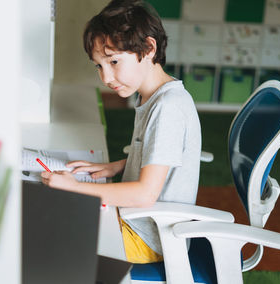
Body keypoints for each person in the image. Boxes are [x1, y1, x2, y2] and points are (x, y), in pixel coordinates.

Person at [41, 0, 201, 264]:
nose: (106, 77)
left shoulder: (167, 108)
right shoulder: (154, 97)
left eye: (114, 61)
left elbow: (144, 194)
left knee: (56, 239)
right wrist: (115, 167)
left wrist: (76, 187)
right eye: (99, 66)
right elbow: (164, 158)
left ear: (149, 49)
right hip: (138, 223)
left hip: (148, 239)